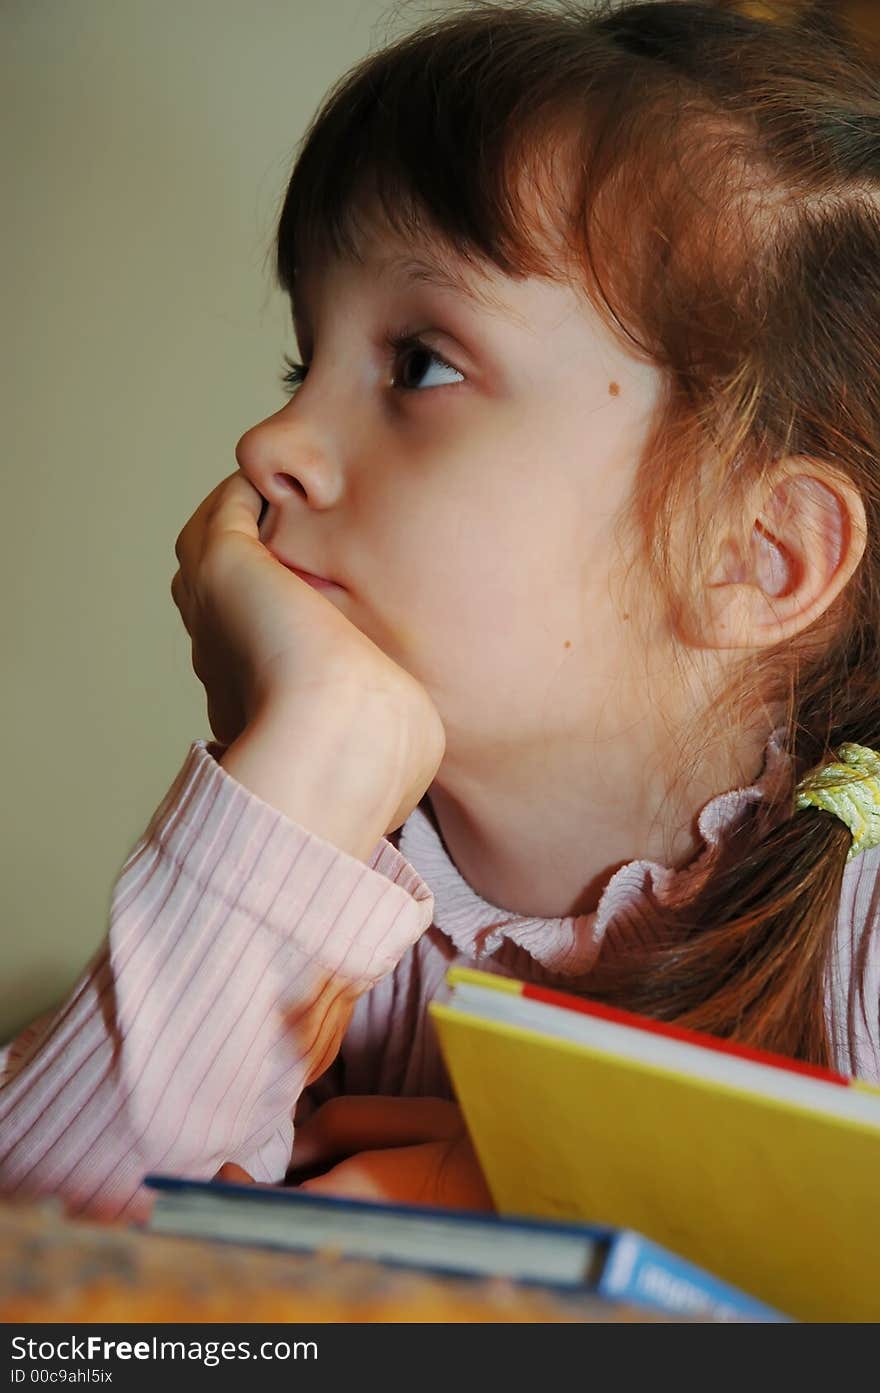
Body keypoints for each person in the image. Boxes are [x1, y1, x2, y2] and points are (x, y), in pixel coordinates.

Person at [2, 0, 880, 1224]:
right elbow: (44, 1279)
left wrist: (551, 1193)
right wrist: (312, 763)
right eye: (303, 360)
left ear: (754, 556)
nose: (272, 442)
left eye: (419, 362)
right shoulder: (310, 870)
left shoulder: (859, 927)